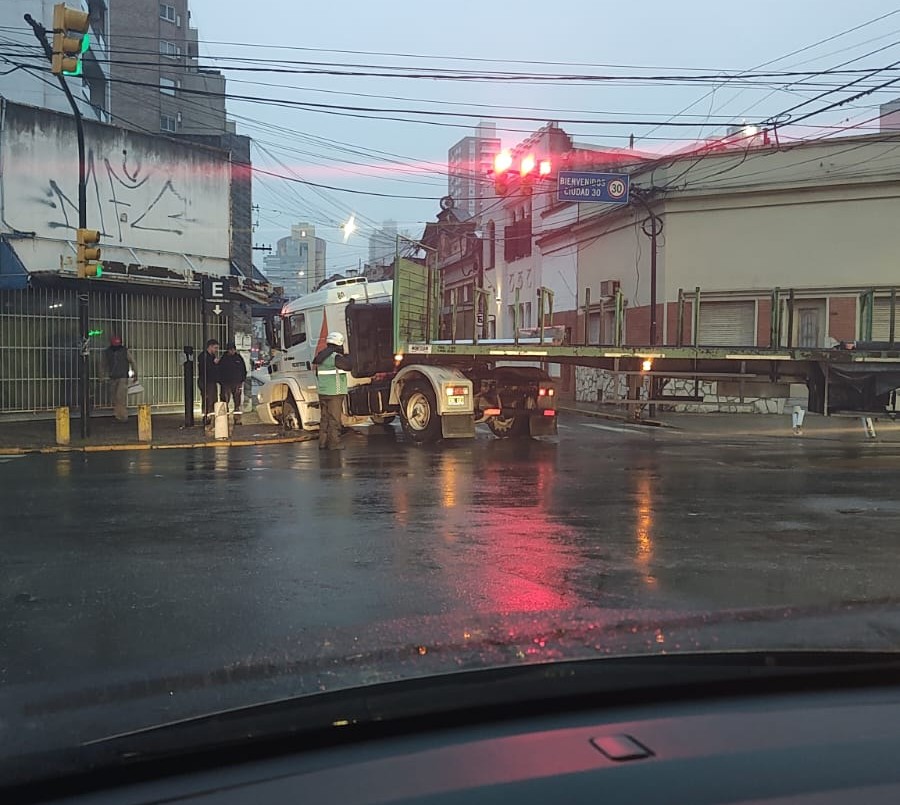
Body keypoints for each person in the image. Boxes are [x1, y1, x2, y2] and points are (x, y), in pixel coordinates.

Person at [313, 331, 352, 450]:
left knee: (324, 418)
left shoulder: (321, 356)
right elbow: (349, 366)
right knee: (334, 419)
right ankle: (334, 443)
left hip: (323, 392)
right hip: (335, 392)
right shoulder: (335, 357)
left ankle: (323, 443)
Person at [102, 335, 137, 423]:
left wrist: (101, 375)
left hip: (121, 377)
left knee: (119, 397)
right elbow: (132, 362)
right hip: (116, 376)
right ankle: (119, 415)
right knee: (116, 397)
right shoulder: (123, 351)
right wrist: (136, 373)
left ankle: (122, 416)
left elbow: (103, 364)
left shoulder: (109, 351)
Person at [218, 341, 248, 424]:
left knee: (237, 402)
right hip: (226, 383)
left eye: (233, 350)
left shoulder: (238, 358)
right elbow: (219, 370)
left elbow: (243, 370)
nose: (232, 351)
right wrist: (221, 381)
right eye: (230, 350)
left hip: (237, 382)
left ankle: (237, 419)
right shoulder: (224, 359)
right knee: (224, 401)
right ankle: (224, 418)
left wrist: (242, 380)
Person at [197, 338, 220, 424]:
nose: (216, 350)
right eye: (215, 347)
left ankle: (211, 416)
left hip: (212, 381)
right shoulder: (203, 356)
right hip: (205, 381)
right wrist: (214, 363)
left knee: (213, 399)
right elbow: (206, 368)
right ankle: (206, 417)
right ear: (210, 347)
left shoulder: (212, 356)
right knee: (207, 399)